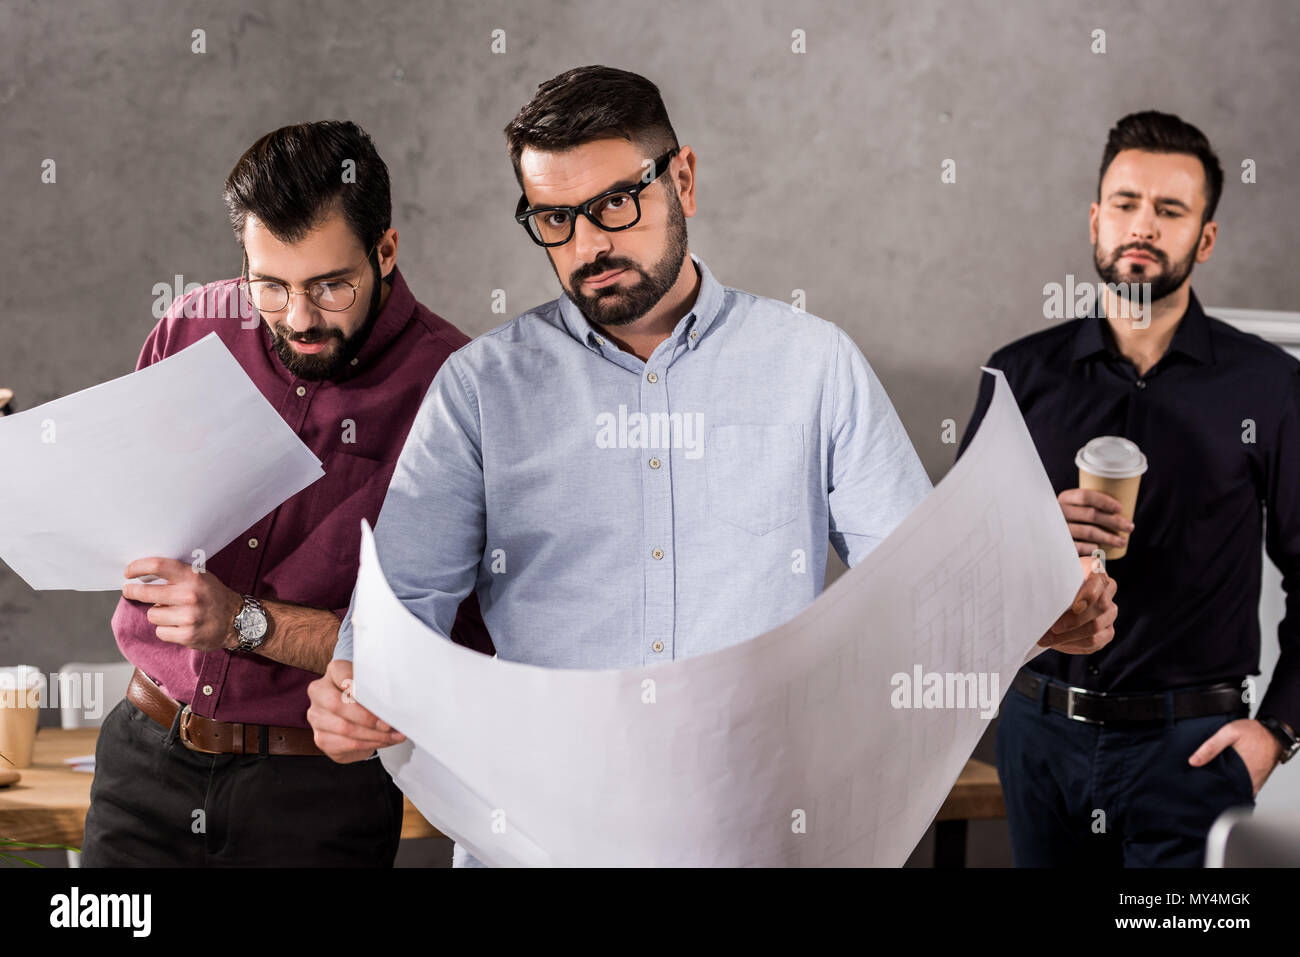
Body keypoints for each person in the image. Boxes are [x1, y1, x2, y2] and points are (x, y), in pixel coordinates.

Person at [308, 66, 1116, 867]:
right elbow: (396, 617)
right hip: (535, 846)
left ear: (682, 179)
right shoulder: (480, 389)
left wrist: (1033, 615)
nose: (588, 245)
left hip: (756, 838)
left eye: (615, 205)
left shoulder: (814, 367)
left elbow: (920, 593)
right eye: (554, 219)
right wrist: (352, 685)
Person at [80, 121, 492, 867]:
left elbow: (451, 648)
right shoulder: (191, 328)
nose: (300, 318)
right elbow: (132, 517)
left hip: (314, 798)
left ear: (386, 252)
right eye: (270, 285)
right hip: (141, 758)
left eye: (331, 285)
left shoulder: (454, 388)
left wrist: (242, 621)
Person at [959, 111, 1300, 867]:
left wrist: (1276, 731)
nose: (1142, 225)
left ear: (1204, 237)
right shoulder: (1019, 375)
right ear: (1095, 217)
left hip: (1191, 752)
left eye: (1170, 210)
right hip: (1038, 733)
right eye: (1125, 202)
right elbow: (957, 568)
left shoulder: (1270, 386)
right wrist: (1034, 525)